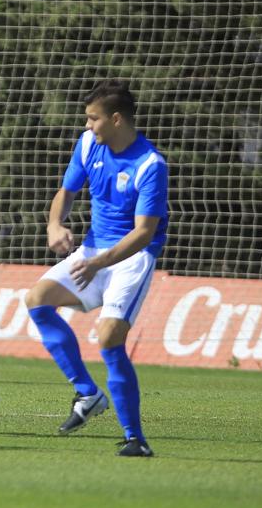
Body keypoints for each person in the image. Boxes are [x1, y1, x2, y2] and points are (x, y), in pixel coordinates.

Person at [23, 80, 169, 457]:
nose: (88, 126)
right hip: (92, 251)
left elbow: (143, 232)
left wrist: (99, 263)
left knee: (107, 338)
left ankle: (136, 438)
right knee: (37, 299)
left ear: (116, 119)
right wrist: (55, 224)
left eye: (93, 119)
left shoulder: (150, 165)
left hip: (130, 259)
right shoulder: (89, 144)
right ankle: (88, 394)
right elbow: (66, 192)